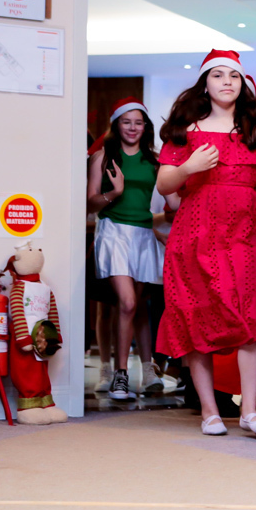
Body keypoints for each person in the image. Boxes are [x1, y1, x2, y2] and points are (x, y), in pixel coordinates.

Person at [155, 49, 256, 437]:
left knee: (252, 316)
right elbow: (164, 184)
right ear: (205, 84)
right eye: (217, 75)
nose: (226, 81)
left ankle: (249, 411)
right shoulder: (186, 129)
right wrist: (188, 167)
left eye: (233, 75)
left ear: (242, 84)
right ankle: (209, 411)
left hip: (245, 233)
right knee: (196, 312)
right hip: (195, 231)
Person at [86, 97, 168, 401]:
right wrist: (115, 192)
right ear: (116, 125)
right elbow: (90, 203)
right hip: (113, 234)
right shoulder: (102, 157)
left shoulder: (156, 161)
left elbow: (168, 203)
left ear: (146, 126)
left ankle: (145, 372)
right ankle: (120, 374)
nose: (132, 127)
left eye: (138, 122)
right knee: (128, 302)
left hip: (144, 236)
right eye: (126, 122)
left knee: (138, 305)